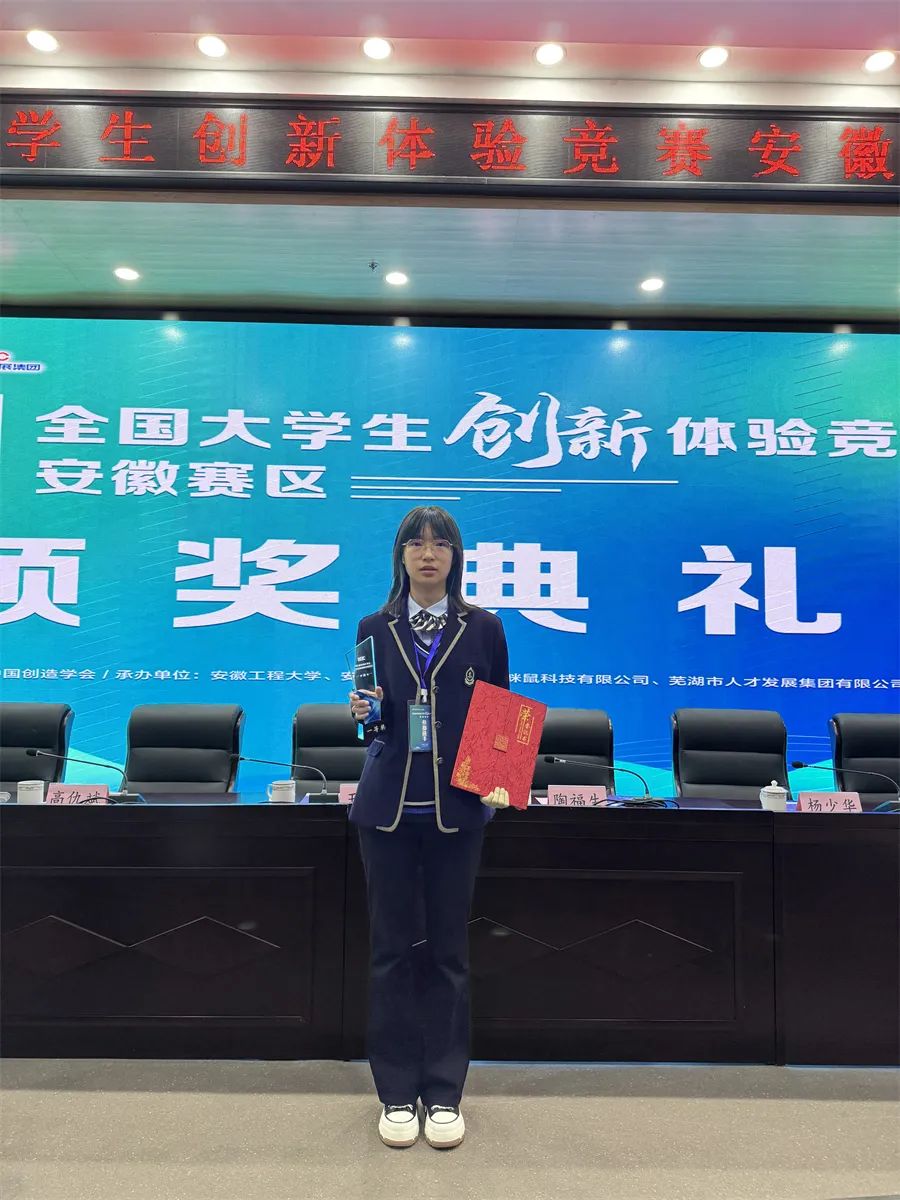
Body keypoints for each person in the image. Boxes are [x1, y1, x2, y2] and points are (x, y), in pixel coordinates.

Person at [348, 506, 510, 1150]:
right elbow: (372, 722)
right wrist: (364, 713)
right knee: (389, 954)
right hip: (387, 809)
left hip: (456, 810)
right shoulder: (374, 626)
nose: (427, 553)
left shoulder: (485, 628)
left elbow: (501, 713)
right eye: (415, 543)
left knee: (449, 955)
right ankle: (394, 1093)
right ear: (400, 556)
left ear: (455, 557)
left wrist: (497, 780)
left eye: (440, 543)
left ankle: (444, 1093)